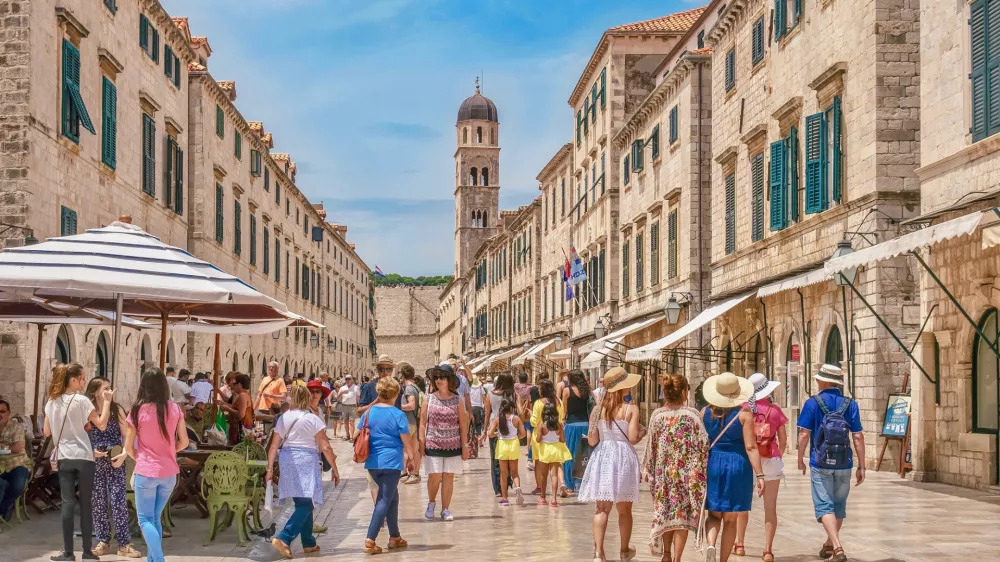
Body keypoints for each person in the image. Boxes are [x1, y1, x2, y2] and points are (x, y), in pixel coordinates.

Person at [44, 363, 113, 562]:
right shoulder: (82, 401)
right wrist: (107, 401)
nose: (84, 382)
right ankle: (87, 553)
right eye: (82, 378)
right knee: (85, 504)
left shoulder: (51, 402)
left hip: (65, 457)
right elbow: (101, 424)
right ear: (73, 380)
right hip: (84, 456)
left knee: (67, 503)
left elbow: (47, 432)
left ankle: (67, 553)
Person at [796, 365, 864, 562]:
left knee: (825, 507)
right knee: (839, 506)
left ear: (824, 382)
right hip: (844, 463)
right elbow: (858, 436)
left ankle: (837, 547)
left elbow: (803, 434)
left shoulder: (812, 403)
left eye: (818, 380)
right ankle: (828, 545)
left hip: (820, 462)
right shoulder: (850, 404)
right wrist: (861, 466)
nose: (816, 382)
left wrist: (800, 458)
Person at [579, 367, 644, 561]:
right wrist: (642, 433)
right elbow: (632, 438)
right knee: (624, 510)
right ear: (622, 388)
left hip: (603, 457)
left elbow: (591, 441)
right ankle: (624, 550)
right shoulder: (631, 409)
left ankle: (599, 553)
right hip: (624, 457)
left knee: (602, 508)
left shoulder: (598, 410)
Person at [266, 386, 340, 559]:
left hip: (287, 460)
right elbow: (325, 447)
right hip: (306, 461)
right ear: (307, 399)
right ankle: (284, 537)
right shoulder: (312, 419)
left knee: (302, 501)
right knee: (308, 502)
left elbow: (274, 446)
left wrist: (269, 469)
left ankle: (308, 542)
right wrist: (335, 469)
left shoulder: (284, 417)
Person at [125, 368, 189, 562]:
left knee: (145, 519)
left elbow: (128, 448)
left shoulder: (137, 410)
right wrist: (169, 451)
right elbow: (184, 442)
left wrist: (141, 457)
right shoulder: (175, 409)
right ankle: (152, 559)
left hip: (146, 471)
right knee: (155, 517)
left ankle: (159, 559)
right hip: (169, 472)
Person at [642, 374, 708, 562]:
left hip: (664, 476)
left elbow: (650, 447)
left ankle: (667, 555)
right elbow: (703, 446)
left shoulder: (657, 416)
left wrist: (649, 470)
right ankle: (677, 558)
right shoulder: (693, 415)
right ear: (685, 392)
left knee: (665, 513)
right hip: (685, 476)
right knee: (681, 518)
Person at [701, 372, 765, 562]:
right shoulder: (744, 415)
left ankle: (711, 544)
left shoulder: (704, 412)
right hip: (737, 464)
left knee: (713, 514)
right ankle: (722, 560)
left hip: (713, 463)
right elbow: (751, 447)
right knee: (730, 519)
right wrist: (760, 475)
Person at [360, 377, 417, 554]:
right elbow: (407, 442)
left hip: (372, 463)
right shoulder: (398, 414)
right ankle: (370, 539)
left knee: (392, 497)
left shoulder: (368, 413)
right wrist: (412, 459)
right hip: (391, 462)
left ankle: (395, 537)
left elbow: (357, 432)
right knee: (384, 499)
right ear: (396, 394)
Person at [84, 378, 139, 558]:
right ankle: (103, 541)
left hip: (115, 459)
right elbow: (82, 436)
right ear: (95, 392)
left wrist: (124, 454)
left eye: (110, 387)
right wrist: (92, 451)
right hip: (94, 462)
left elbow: (127, 436)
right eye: (105, 388)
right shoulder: (88, 411)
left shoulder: (117, 410)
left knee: (118, 502)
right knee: (98, 503)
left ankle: (124, 544)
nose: (110, 391)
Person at [735, 373, 786, 561]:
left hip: (748, 458)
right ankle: (767, 550)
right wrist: (776, 456)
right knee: (770, 507)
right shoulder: (775, 410)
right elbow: (783, 440)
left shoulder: (742, 409)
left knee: (743, 504)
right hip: (771, 458)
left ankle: (740, 544)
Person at [419, 363, 469, 521]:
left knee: (448, 476)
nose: (439, 380)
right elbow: (422, 423)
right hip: (433, 443)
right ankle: (431, 503)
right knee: (434, 476)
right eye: (436, 377)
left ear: (449, 380)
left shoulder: (457, 400)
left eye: (442, 377)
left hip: (453, 444)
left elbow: (463, 424)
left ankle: (445, 509)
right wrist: (421, 443)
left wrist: (465, 445)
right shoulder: (428, 399)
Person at [486, 398, 525, 506]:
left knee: (503, 474)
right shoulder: (516, 419)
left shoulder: (498, 419)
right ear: (512, 408)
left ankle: (504, 498)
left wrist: (497, 434)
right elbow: (523, 434)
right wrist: (516, 436)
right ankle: (517, 488)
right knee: (514, 472)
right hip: (513, 445)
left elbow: (489, 434)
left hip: (502, 445)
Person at [530, 378, 564, 498]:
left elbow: (534, 422)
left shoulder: (538, 403)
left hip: (540, 435)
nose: (538, 390)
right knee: (556, 464)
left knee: (539, 463)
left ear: (542, 389)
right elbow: (562, 416)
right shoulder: (558, 401)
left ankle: (540, 488)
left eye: (539, 388)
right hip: (556, 434)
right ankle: (559, 487)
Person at [561, 369, 593, 494]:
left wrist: (563, 421)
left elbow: (565, 412)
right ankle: (583, 484)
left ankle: (570, 485)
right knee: (584, 455)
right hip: (585, 425)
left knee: (569, 455)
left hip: (572, 425)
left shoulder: (566, 391)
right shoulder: (587, 391)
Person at [534, 403, 572, 507]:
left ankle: (542, 497)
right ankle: (554, 499)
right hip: (555, 450)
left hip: (545, 451)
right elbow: (563, 439)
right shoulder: (559, 425)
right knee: (554, 475)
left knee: (543, 475)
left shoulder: (542, 424)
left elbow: (538, 440)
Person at [482, 373, 514, 496]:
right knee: (508, 457)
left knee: (495, 458)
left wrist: (485, 431)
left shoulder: (490, 394)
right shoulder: (511, 395)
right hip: (509, 428)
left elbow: (487, 413)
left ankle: (498, 488)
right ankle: (506, 481)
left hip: (494, 428)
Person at [0, 399, 30, 524]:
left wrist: (3, 447)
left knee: (18, 485)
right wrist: (7, 446)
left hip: (17, 463)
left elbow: (17, 447)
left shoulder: (16, 427)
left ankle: (4, 509)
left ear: (9, 413)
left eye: (2, 411)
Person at [399, 364, 422, 484]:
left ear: (402, 375)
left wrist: (398, 407)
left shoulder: (408, 388)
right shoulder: (416, 387)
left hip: (408, 423)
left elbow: (411, 405)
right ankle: (415, 474)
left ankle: (404, 473)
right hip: (414, 422)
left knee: (405, 449)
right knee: (415, 449)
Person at [215, 373, 253, 445]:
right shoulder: (244, 394)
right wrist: (222, 404)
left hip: (241, 429)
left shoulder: (242, 395)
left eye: (235, 384)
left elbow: (241, 415)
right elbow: (233, 406)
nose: (233, 387)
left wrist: (227, 409)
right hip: (239, 428)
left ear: (239, 385)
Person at [337, 375, 360, 440]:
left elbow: (358, 397)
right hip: (344, 406)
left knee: (352, 422)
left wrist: (359, 405)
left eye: (349, 379)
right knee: (345, 421)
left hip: (352, 406)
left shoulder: (356, 387)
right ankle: (348, 435)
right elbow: (338, 398)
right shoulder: (342, 388)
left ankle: (352, 437)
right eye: (346, 379)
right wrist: (342, 393)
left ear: (352, 379)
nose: (347, 380)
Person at [468, 373, 485, 459]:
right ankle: (478, 442)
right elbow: (484, 399)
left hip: (471, 409)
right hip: (479, 408)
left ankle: (470, 448)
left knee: (470, 428)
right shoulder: (481, 388)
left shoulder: (469, 388)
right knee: (478, 426)